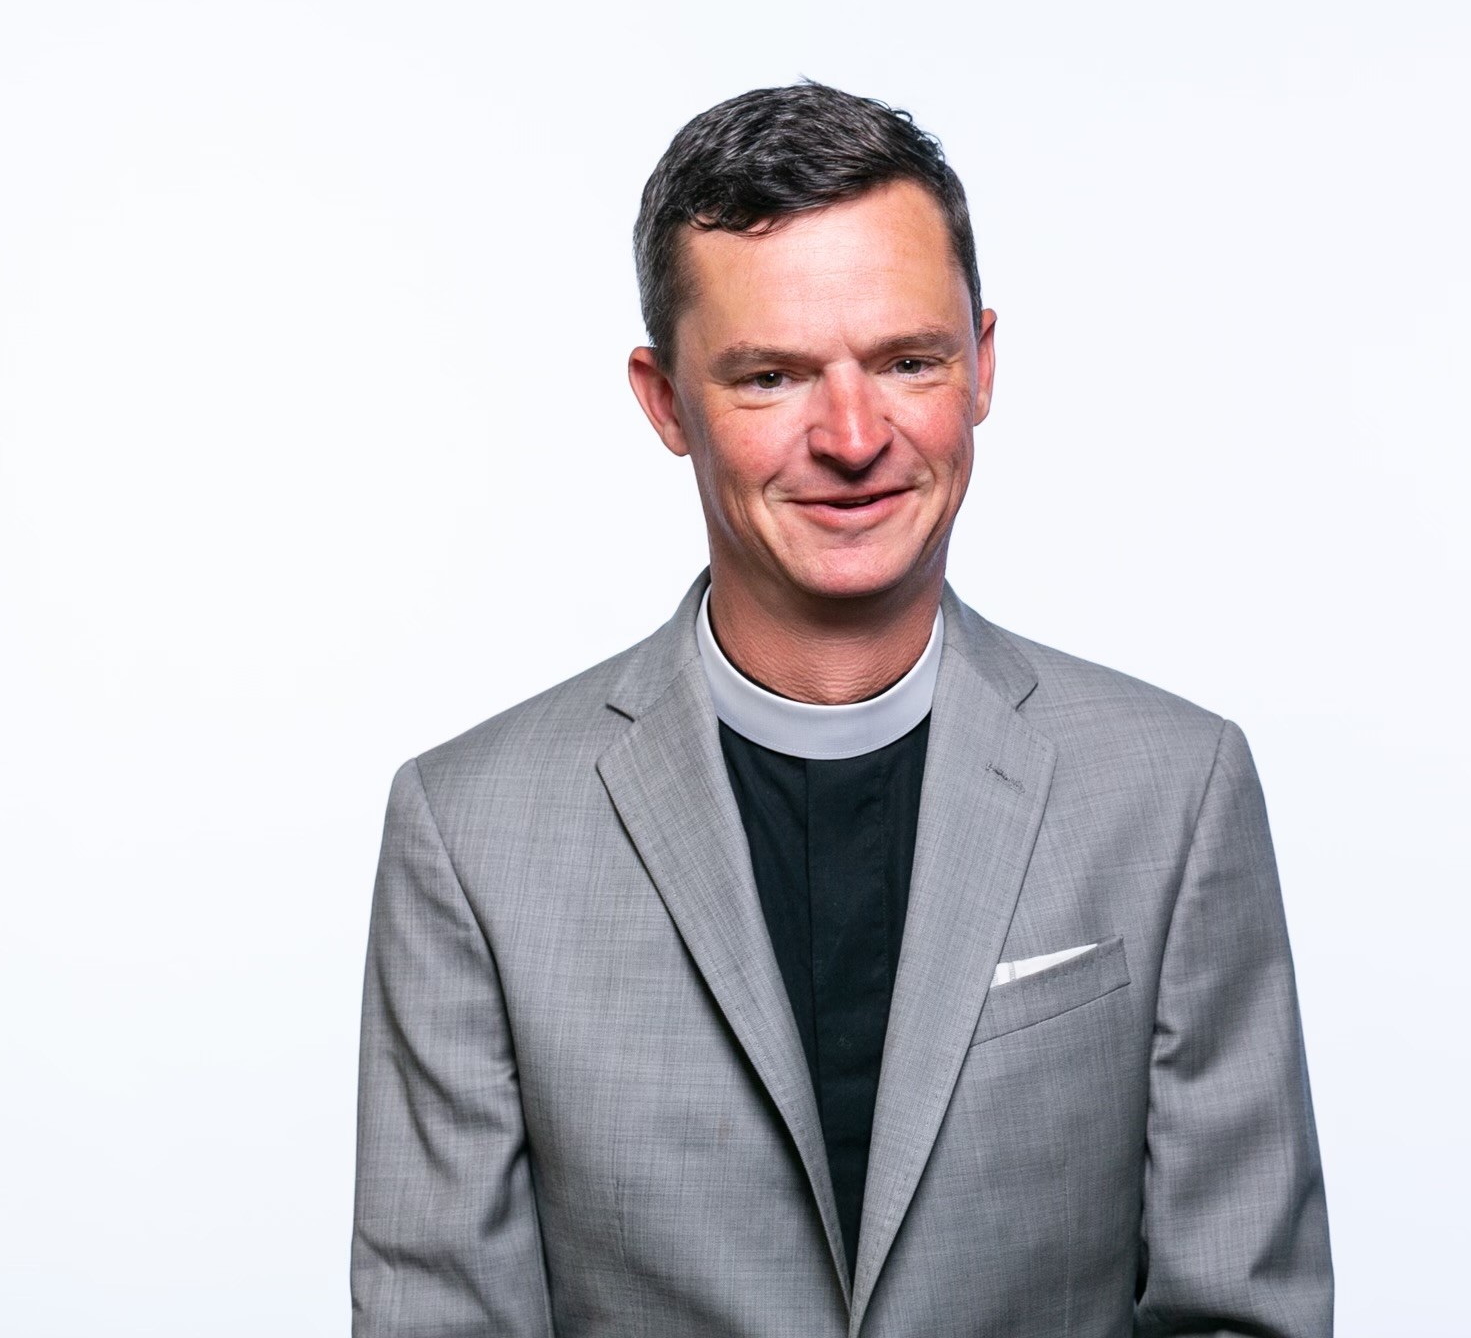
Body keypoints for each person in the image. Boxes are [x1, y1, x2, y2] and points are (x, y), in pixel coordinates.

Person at [351, 81, 1332, 1337]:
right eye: (770, 377)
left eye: (908, 361)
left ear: (981, 365)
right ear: (664, 401)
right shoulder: (469, 833)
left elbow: (1240, 1313)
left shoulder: (1174, 793)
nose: (854, 436)